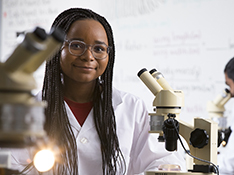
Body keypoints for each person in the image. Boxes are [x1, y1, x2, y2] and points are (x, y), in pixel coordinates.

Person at [9, 8, 185, 175]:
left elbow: (164, 161)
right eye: (77, 46)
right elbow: (13, 165)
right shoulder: (28, 110)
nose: (88, 56)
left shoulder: (131, 108)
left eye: (99, 49)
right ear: (56, 50)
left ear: (109, 55)